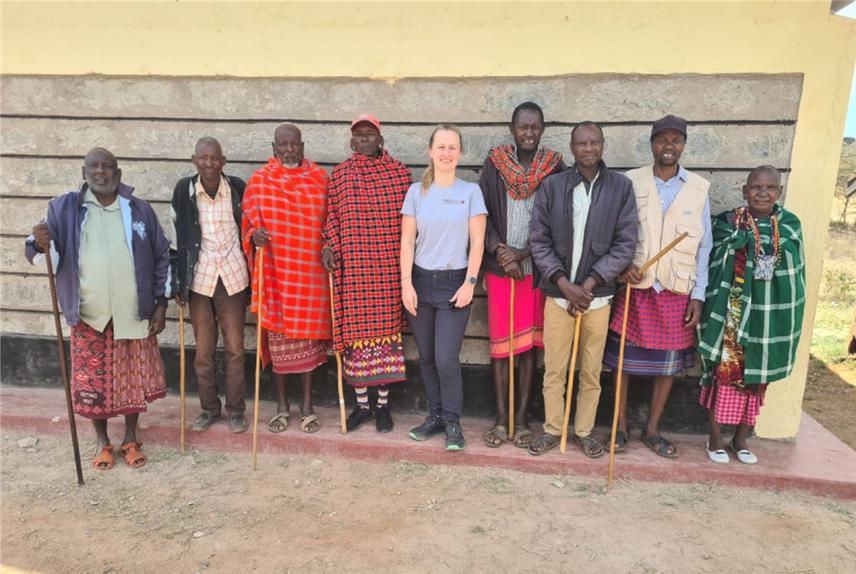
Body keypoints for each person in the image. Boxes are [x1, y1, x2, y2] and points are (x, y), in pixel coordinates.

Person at [25, 147, 170, 470]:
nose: (101, 172)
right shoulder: (63, 209)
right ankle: (102, 442)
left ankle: (131, 439)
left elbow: (162, 255)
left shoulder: (138, 210)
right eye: (94, 166)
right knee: (93, 383)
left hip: (133, 311)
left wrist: (161, 302)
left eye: (108, 167)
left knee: (133, 380)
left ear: (118, 175)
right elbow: (40, 253)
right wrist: (39, 243)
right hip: (90, 314)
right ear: (84, 173)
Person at [604, 114, 713, 459]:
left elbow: (705, 246)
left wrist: (698, 295)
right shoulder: (630, 181)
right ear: (652, 144)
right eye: (662, 139)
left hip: (675, 291)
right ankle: (619, 427)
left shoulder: (698, 189)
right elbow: (612, 231)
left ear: (683, 145)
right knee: (621, 362)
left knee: (667, 367)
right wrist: (621, 269)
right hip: (636, 288)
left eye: (676, 140)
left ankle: (652, 429)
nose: (669, 145)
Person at [527, 122, 638, 457]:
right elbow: (538, 239)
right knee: (555, 369)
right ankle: (552, 429)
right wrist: (563, 283)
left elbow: (625, 243)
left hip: (598, 298)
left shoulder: (620, 188)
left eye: (594, 142)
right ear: (572, 148)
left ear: (603, 145)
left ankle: (585, 431)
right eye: (582, 143)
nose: (589, 149)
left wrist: (588, 285)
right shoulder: (553, 186)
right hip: (558, 296)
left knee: (591, 371)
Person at [697, 166, 805, 464]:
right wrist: (736, 246)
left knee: (758, 377)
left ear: (779, 193)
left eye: (770, 187)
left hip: (767, 318)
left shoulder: (790, 225)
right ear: (745, 191)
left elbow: (795, 271)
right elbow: (712, 257)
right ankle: (716, 438)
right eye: (756, 187)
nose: (762, 192)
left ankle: (742, 439)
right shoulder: (727, 222)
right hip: (730, 316)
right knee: (722, 374)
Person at [480, 101, 565, 449]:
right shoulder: (495, 162)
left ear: (542, 129)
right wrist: (502, 252)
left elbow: (561, 219)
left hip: (538, 270)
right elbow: (481, 212)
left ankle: (524, 418)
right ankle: (501, 419)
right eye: (522, 127)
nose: (528, 133)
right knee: (502, 347)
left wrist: (525, 253)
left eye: (535, 127)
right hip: (502, 271)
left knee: (530, 347)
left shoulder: (555, 166)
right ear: (512, 129)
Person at [322, 114, 411, 433]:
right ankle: (362, 405)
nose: (363, 140)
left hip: (386, 269)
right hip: (355, 269)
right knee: (357, 338)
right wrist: (329, 246)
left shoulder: (398, 174)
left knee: (386, 337)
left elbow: (409, 221)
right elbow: (331, 216)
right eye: (358, 135)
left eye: (369, 135)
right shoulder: (340, 175)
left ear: (380, 140)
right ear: (351, 141)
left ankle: (383, 407)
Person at [401, 125, 487, 451]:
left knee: (446, 358)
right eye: (441, 146)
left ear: (460, 153)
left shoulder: (470, 192)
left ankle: (453, 422)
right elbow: (408, 241)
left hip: (455, 284)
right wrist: (406, 283)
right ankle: (434, 416)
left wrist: (470, 282)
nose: (447, 153)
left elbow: (477, 241)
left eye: (453, 147)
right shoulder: (415, 192)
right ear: (430, 151)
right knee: (426, 358)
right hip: (421, 282)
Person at [243, 124, 332, 434]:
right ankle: (281, 406)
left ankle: (307, 406)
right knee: (279, 349)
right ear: (274, 147)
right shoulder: (259, 182)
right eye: (284, 145)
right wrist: (254, 236)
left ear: (303, 146)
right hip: (277, 278)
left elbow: (329, 224)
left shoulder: (320, 179)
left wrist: (329, 245)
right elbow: (248, 226)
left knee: (308, 349)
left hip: (308, 279)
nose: (290, 150)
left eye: (295, 144)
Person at [169, 137, 250, 434]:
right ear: (194, 160)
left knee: (235, 350)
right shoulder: (184, 191)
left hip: (233, 279)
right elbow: (175, 239)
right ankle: (208, 408)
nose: (209, 164)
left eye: (214, 158)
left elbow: (250, 227)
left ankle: (236, 410)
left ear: (223, 161)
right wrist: (176, 281)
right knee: (203, 351)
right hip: (200, 281)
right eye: (203, 158)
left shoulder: (238, 188)